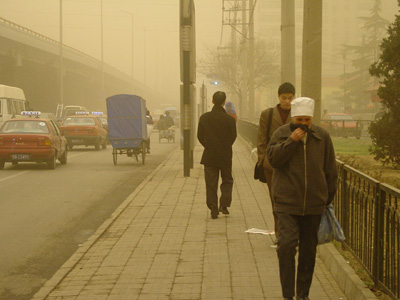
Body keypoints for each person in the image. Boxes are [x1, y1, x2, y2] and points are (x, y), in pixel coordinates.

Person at [266, 97, 338, 300]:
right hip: (287, 203)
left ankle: (303, 294)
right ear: (293, 119)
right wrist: (292, 141)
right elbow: (273, 160)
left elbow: (330, 169)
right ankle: (288, 295)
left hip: (314, 205)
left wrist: (326, 197)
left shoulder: (322, 136)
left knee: (308, 251)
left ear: (311, 119)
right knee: (286, 246)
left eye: (307, 120)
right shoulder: (281, 134)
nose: (303, 125)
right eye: (299, 120)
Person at [257, 82, 295, 242]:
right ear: (278, 97)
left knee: (293, 200)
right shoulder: (268, 114)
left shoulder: (298, 114)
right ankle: (280, 234)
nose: (287, 101)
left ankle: (292, 233)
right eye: (284, 98)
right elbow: (261, 140)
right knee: (276, 201)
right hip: (273, 166)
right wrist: (264, 160)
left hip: (294, 166)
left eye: (290, 98)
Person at [197, 91, 237, 219]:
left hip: (209, 155)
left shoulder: (204, 118)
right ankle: (224, 205)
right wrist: (225, 146)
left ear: (212, 101)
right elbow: (233, 136)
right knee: (227, 180)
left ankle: (213, 209)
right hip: (225, 155)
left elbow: (199, 136)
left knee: (211, 183)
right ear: (224, 102)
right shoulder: (230, 120)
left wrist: (208, 146)